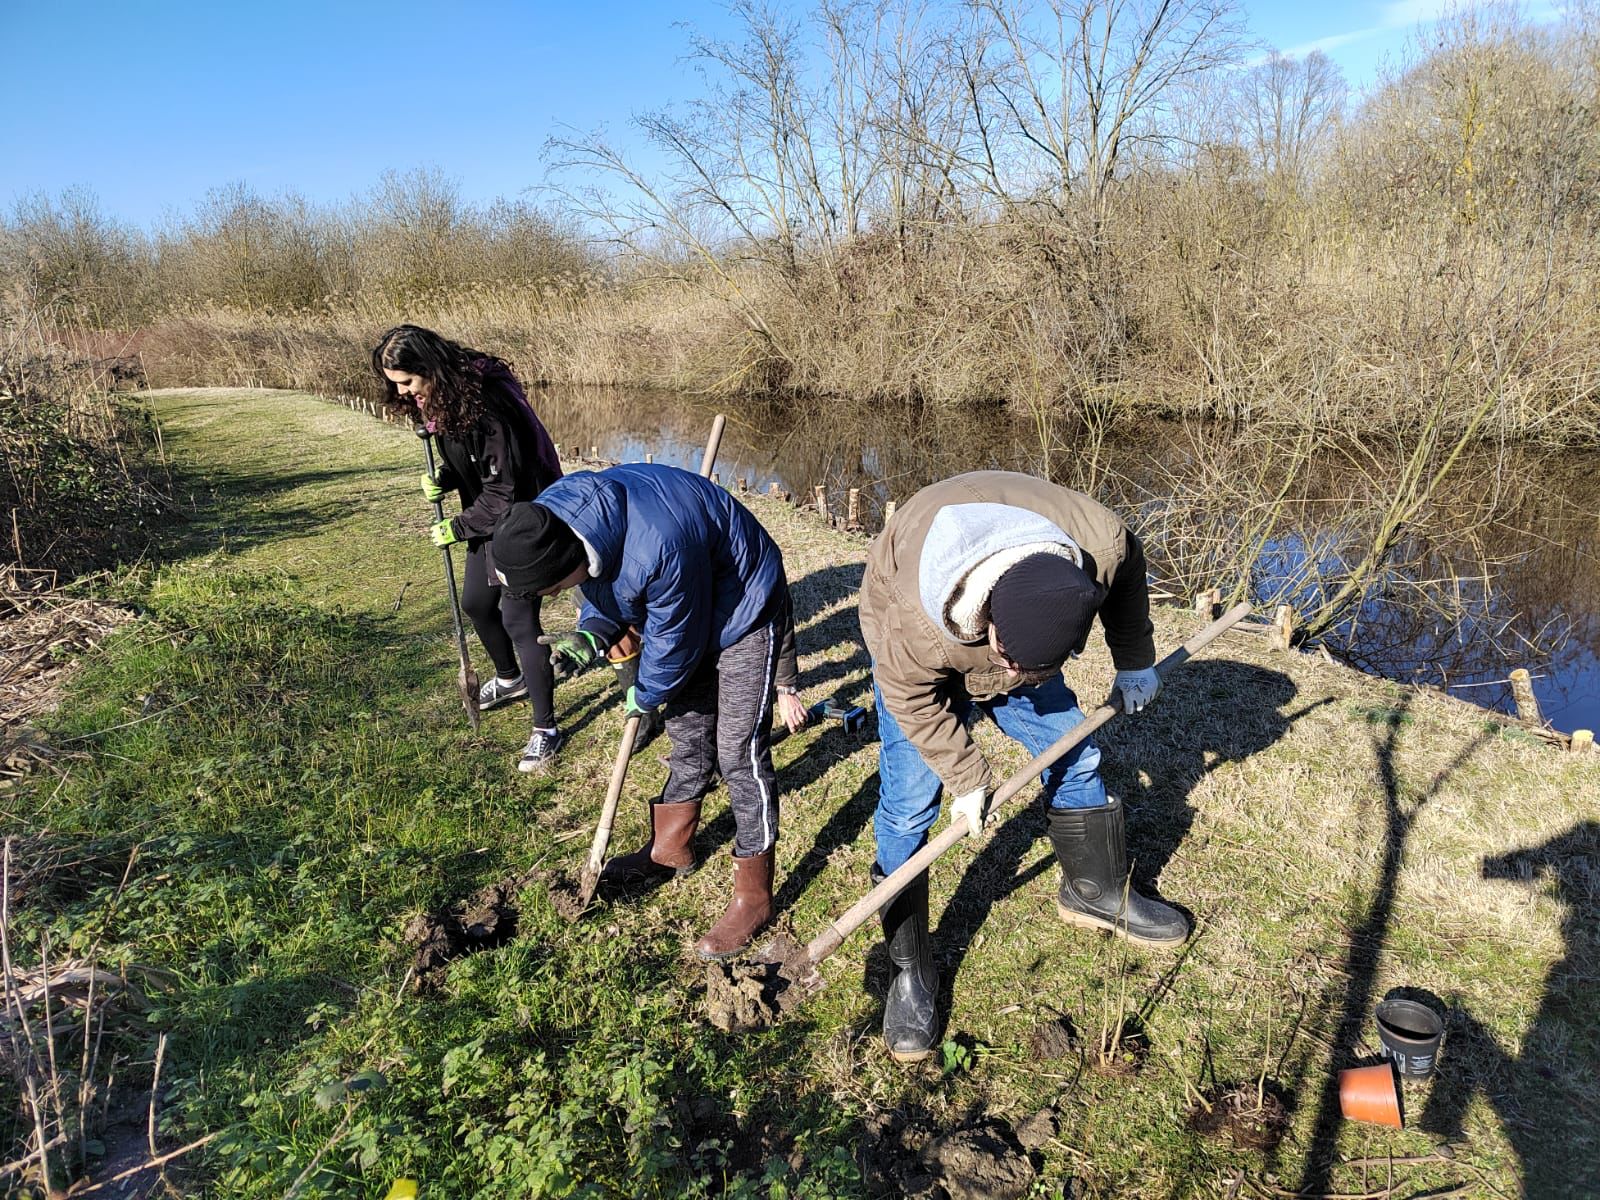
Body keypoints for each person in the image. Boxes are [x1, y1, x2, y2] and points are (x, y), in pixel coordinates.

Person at [857, 470, 1184, 1062]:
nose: (1012, 680)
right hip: (914, 630)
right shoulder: (913, 621)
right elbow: (911, 698)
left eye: (1028, 670)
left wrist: (1134, 661)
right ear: (990, 622)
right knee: (908, 805)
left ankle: (1095, 891)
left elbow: (1129, 578)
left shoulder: (1099, 547)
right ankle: (908, 969)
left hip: (1019, 611)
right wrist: (967, 780)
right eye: (1009, 662)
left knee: (1076, 752)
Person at [491, 462, 790, 959]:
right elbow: (602, 587)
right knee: (690, 733)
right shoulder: (557, 517)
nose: (551, 598)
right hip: (687, 593)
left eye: (549, 590)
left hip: (744, 602)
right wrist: (593, 631)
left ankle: (754, 895)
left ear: (563, 560)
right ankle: (670, 849)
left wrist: (646, 692)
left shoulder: (659, 546)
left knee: (738, 749)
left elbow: (675, 641)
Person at [371, 325, 565, 770]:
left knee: (519, 619)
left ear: (429, 368)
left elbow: (507, 487)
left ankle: (546, 730)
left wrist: (458, 526)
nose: (401, 393)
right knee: (477, 603)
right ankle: (510, 678)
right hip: (491, 512)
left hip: (524, 517)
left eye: (406, 382)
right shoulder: (442, 401)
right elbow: (474, 462)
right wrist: (448, 477)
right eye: (394, 384)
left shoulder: (487, 406)